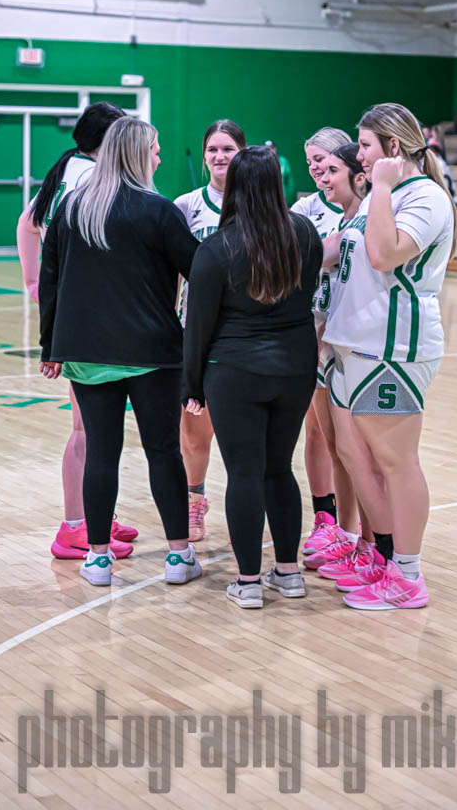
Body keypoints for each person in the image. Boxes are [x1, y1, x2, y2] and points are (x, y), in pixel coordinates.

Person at [39, 116, 202, 587]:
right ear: (136, 155)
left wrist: (51, 345)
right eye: (155, 149)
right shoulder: (158, 210)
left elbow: (50, 279)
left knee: (102, 453)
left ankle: (97, 559)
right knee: (163, 452)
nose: (159, 158)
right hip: (153, 352)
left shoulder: (72, 208)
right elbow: (199, 269)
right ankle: (178, 555)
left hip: (86, 353)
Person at [321, 103, 456, 610]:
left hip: (394, 348)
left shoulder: (424, 197)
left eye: (365, 146)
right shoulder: (382, 198)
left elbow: (384, 254)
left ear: (393, 148)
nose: (357, 155)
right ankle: (382, 556)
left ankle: (409, 575)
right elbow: (337, 253)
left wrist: (378, 188)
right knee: (357, 456)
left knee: (396, 462)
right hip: (353, 344)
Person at [182, 146, 322, 609]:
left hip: (235, 372)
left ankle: (246, 583)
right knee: (279, 468)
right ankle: (288, 573)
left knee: (244, 472)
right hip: (296, 369)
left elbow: (198, 324)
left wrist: (191, 383)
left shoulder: (216, 247)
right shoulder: (305, 233)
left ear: (235, 187)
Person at [16, 102, 137, 560]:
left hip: (74, 309)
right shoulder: (93, 179)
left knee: (92, 427)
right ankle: (74, 526)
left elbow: (26, 225)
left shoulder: (66, 171)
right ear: (109, 142)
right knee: (87, 429)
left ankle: (96, 513)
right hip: (86, 314)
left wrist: (33, 282)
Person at [303, 143, 386, 585]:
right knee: (338, 449)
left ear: (358, 176)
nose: (322, 175)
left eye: (332, 168)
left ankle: (374, 546)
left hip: (357, 347)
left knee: (362, 454)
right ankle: (348, 536)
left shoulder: (370, 217)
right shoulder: (343, 220)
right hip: (327, 345)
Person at [174, 119, 247, 542]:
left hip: (243, 335)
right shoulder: (186, 206)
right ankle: (194, 502)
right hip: (195, 331)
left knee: (241, 435)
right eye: (213, 150)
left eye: (228, 149)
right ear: (204, 157)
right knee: (193, 431)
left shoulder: (259, 205)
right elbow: (171, 273)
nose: (220, 157)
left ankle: (248, 510)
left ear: (243, 153)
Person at [291, 127, 351, 554]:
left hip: (351, 333)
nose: (315, 168)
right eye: (310, 160)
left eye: (323, 160)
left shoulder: (364, 207)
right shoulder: (303, 209)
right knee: (316, 429)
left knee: (350, 436)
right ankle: (324, 517)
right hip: (312, 329)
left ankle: (356, 525)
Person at [264, 139, 296, 206]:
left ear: (275, 149)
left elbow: (290, 181)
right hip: (266, 199)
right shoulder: (261, 162)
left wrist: (290, 199)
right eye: (267, 149)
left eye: (271, 148)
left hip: (282, 199)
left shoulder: (283, 161)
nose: (270, 150)